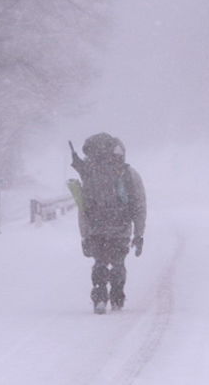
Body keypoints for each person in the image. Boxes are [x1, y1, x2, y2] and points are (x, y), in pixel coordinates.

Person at [70, 133, 146, 314]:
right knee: (118, 262)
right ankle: (117, 298)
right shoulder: (128, 173)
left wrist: (85, 235)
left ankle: (100, 298)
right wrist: (139, 233)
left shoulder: (89, 172)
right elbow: (139, 205)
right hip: (121, 227)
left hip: (96, 227)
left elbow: (83, 207)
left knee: (100, 262)